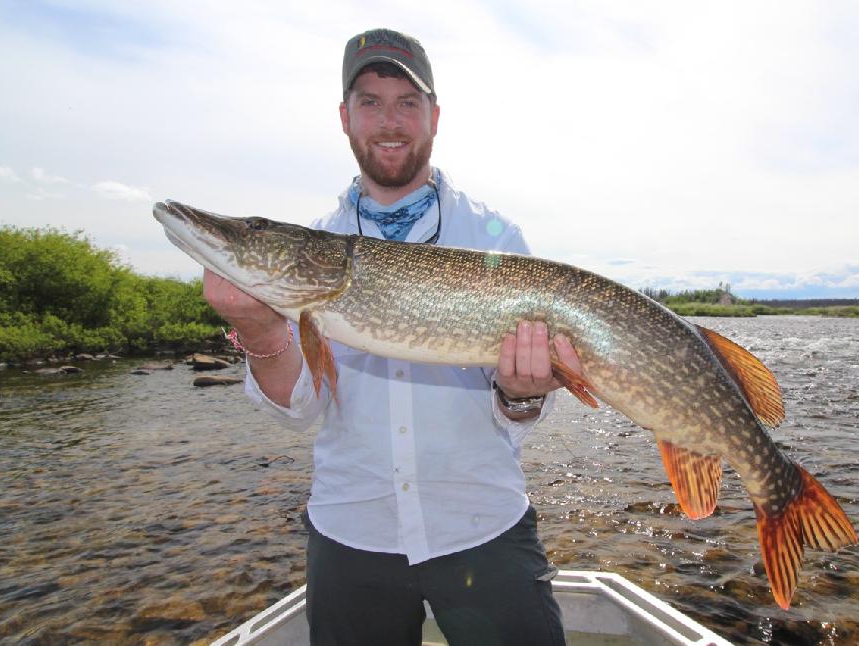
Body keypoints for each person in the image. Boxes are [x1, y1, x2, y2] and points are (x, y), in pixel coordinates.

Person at [203, 28, 582, 646]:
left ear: (434, 116)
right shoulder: (319, 247)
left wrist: (522, 393)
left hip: (481, 526)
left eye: (408, 102)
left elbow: (517, 412)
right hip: (354, 533)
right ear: (345, 117)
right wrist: (259, 329)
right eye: (371, 101)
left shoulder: (492, 237)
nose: (390, 120)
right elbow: (302, 410)